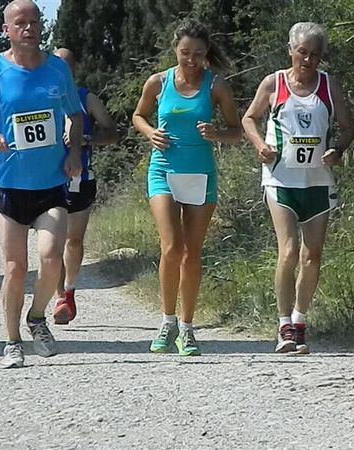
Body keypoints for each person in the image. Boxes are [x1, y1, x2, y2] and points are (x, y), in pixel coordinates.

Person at [0, 0, 83, 368]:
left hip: (51, 184)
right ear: (6, 29)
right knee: (15, 267)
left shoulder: (57, 69)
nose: (28, 28)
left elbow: (75, 113)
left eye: (34, 22)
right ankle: (12, 341)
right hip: (10, 185)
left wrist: (73, 152)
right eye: (20, 23)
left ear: (42, 27)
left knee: (52, 258)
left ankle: (37, 317)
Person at [242, 22, 354, 354]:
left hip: (317, 182)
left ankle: (300, 320)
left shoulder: (328, 86)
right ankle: (284, 327)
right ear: (290, 51)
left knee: (312, 255)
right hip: (280, 179)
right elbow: (249, 118)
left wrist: (338, 149)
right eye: (302, 53)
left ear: (321, 58)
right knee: (289, 251)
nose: (307, 61)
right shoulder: (273, 83)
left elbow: (348, 127)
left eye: (314, 56)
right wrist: (260, 145)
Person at [132, 19, 242, 356]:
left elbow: (237, 130)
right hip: (163, 169)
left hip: (200, 172)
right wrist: (150, 133)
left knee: (192, 253)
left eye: (197, 53)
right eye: (184, 53)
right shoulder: (159, 81)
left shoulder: (216, 86)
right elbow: (138, 115)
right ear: (174, 51)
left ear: (206, 52)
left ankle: (188, 327)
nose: (190, 59)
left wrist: (216, 134)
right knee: (171, 247)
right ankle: (167, 322)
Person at [51, 48, 119, 325]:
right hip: (48, 179)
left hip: (81, 178)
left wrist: (86, 140)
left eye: (67, 66)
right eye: (57, 64)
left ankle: (69, 290)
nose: (61, 70)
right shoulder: (41, 96)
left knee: (73, 240)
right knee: (53, 242)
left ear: (74, 70)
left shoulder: (86, 98)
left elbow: (113, 133)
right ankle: (58, 298)